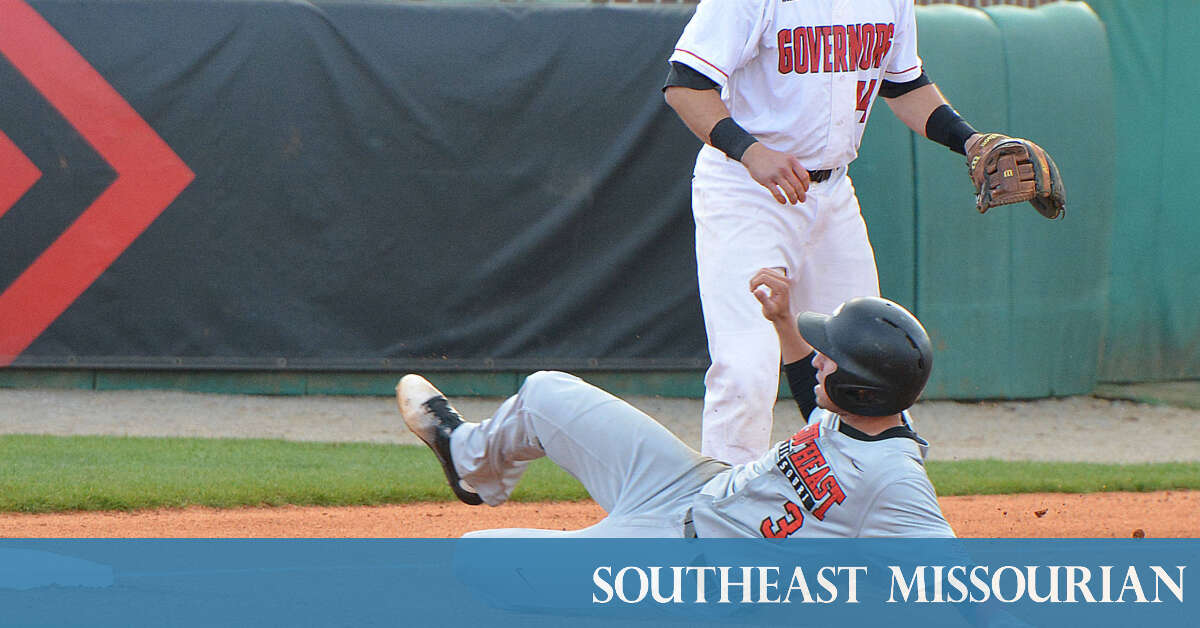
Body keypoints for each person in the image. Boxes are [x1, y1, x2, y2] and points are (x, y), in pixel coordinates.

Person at [661, 1, 997, 465]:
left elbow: (904, 86)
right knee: (745, 369)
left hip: (832, 192)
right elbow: (686, 86)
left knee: (866, 360)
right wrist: (750, 151)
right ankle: (725, 517)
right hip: (747, 190)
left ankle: (868, 499)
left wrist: (969, 139)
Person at [396, 269, 953, 538]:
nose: (818, 358)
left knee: (483, 559)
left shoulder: (893, 478)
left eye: (831, 356)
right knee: (546, 393)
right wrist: (784, 321)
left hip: (684, 562)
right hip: (690, 486)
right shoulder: (869, 414)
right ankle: (469, 462)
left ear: (860, 387)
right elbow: (812, 393)